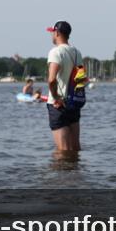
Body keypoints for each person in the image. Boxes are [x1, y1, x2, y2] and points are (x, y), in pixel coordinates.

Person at [46, 21, 84, 153]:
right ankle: (76, 173)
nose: (51, 35)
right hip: (73, 103)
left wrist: (56, 97)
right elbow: (81, 79)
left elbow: (51, 80)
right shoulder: (76, 53)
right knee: (75, 148)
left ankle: (60, 174)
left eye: (52, 32)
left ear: (57, 33)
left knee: (63, 151)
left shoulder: (55, 52)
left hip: (59, 106)